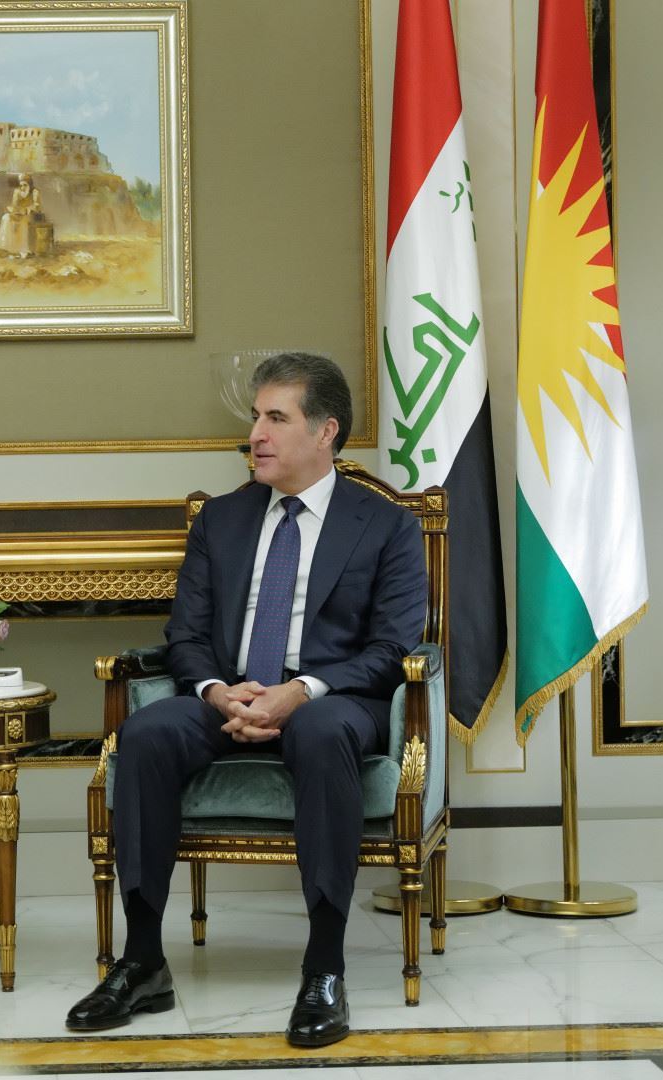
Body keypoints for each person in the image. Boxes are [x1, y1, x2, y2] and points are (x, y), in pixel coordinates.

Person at [64, 353, 428, 1048]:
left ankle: (324, 970)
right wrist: (215, 690)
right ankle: (142, 963)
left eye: (275, 418)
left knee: (321, 731)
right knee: (144, 734)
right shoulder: (222, 519)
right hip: (228, 694)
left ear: (325, 430)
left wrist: (301, 690)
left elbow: (391, 648)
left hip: (332, 697)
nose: (254, 434)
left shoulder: (385, 525)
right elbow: (186, 634)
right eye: (255, 417)